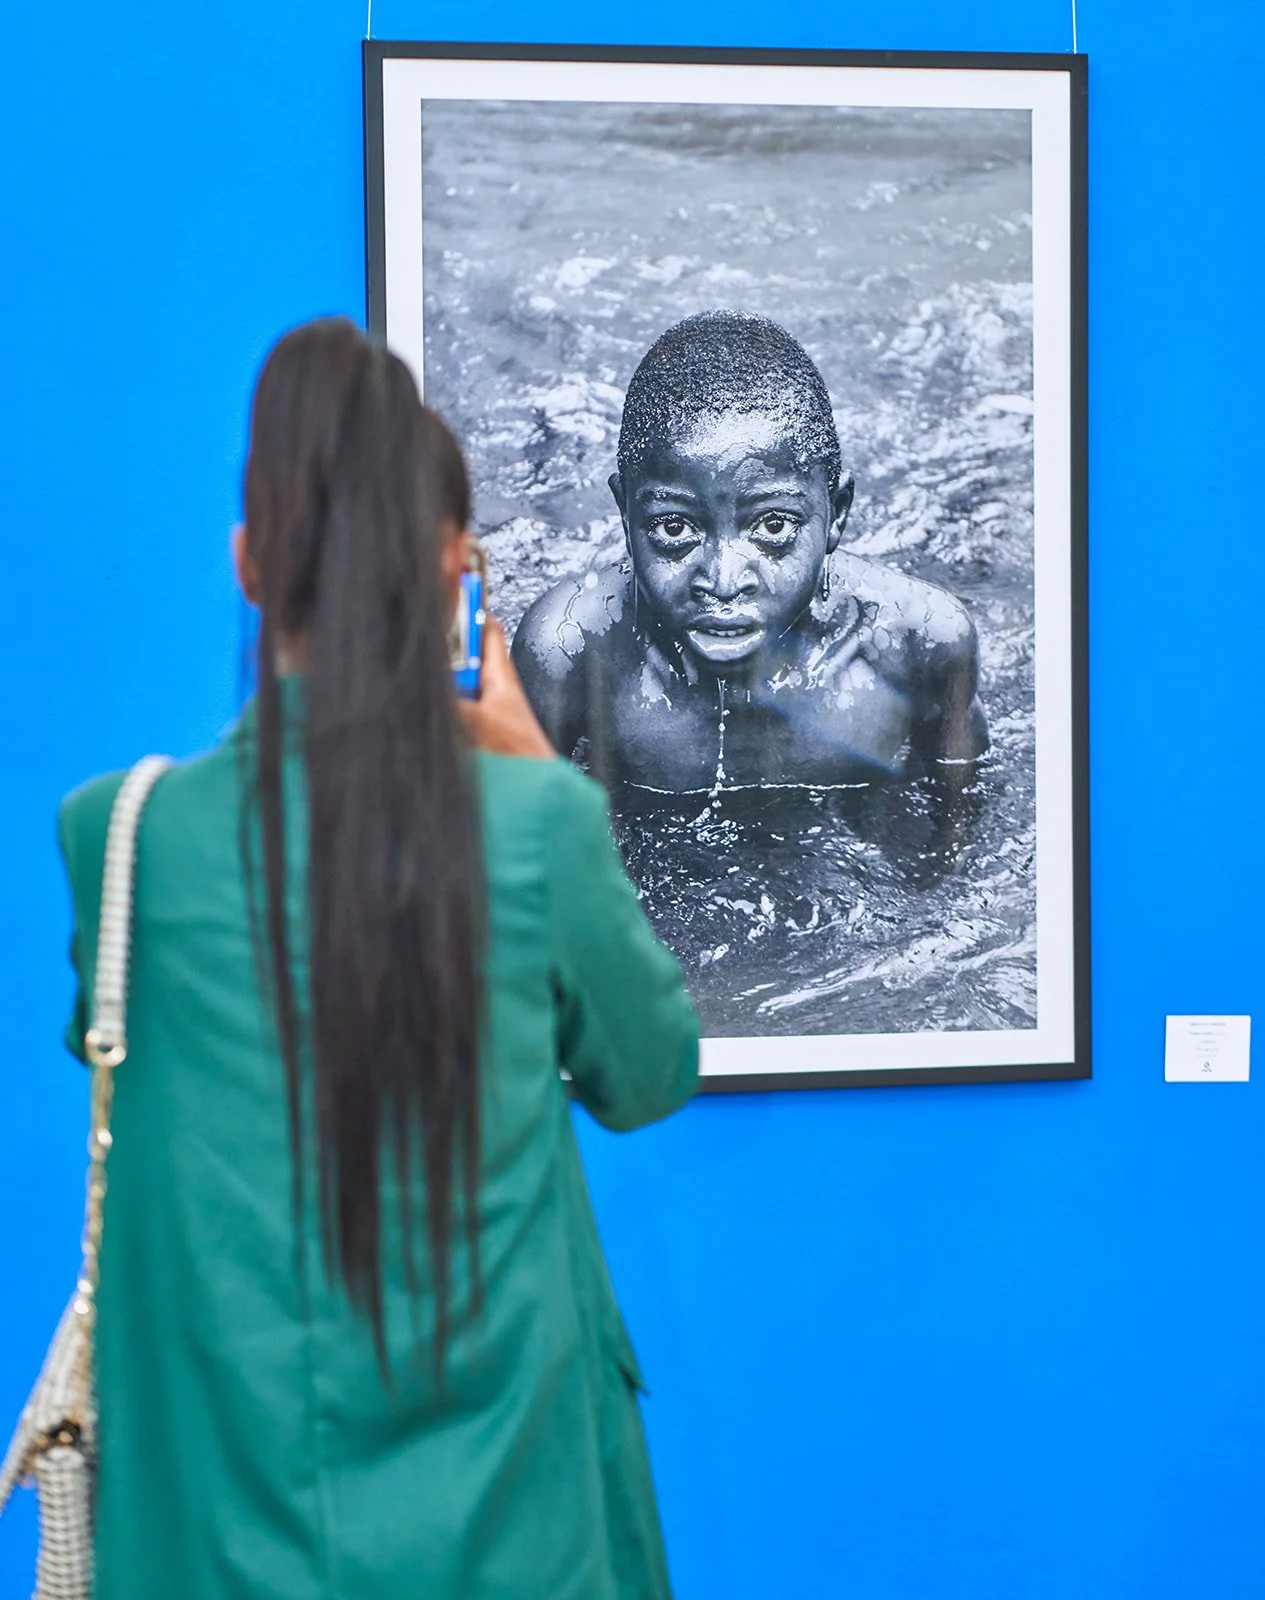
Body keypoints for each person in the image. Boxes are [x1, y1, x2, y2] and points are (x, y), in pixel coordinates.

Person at [56, 318, 699, 1600]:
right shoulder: (536, 827)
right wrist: (529, 762)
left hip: (210, 1542)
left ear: (249, 564)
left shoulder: (120, 840)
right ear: (455, 571)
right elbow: (647, 1072)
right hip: (514, 1539)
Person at [512, 311, 989, 807]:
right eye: (674, 528)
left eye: (774, 526)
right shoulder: (570, 653)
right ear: (625, 512)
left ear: (837, 513)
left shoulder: (920, 646)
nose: (723, 579)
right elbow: (518, 841)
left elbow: (959, 833)